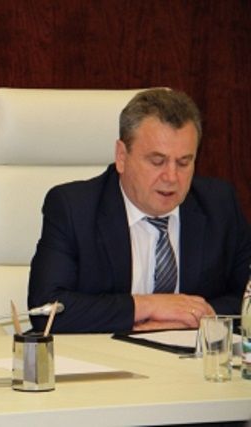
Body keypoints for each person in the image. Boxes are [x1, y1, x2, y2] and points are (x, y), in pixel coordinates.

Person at [28, 88, 251, 333]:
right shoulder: (74, 208)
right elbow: (45, 310)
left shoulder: (219, 204)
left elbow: (245, 295)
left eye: (184, 162)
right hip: (107, 355)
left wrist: (197, 316)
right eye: (157, 161)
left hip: (189, 355)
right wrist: (148, 306)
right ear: (122, 156)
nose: (171, 177)